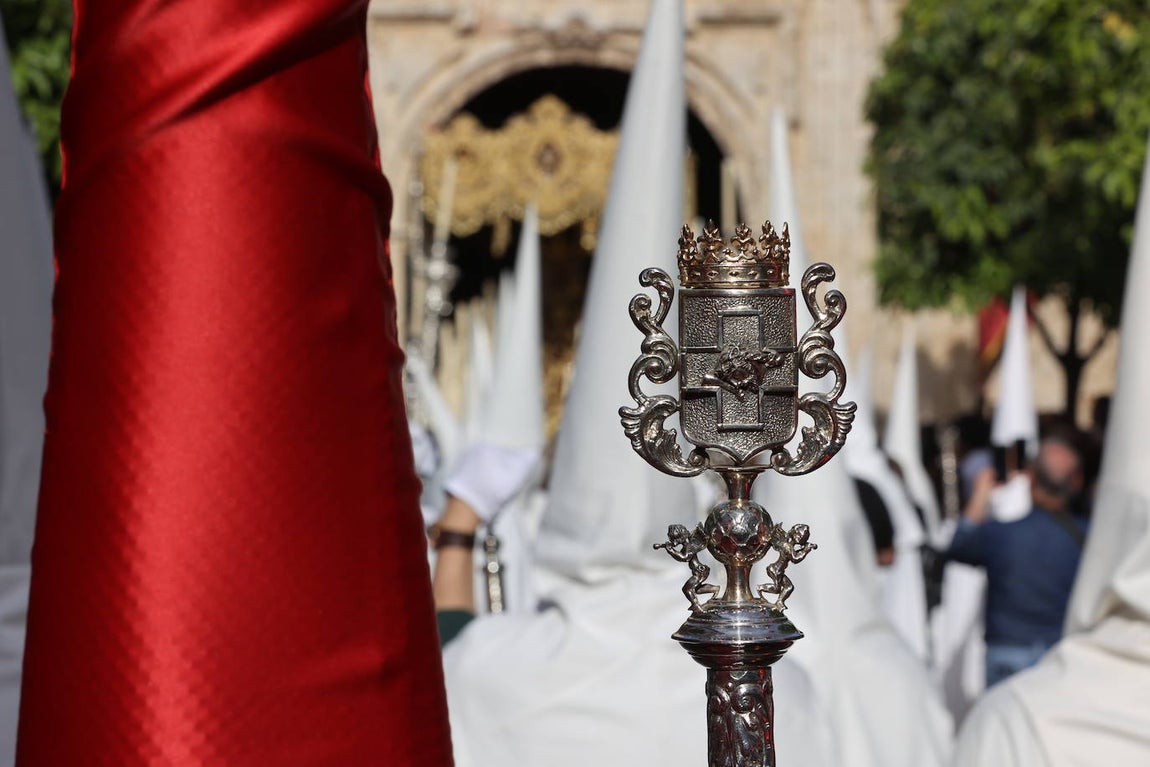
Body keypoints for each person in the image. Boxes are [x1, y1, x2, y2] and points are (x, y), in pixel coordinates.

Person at [946, 436, 1088, 686]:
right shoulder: (1088, 539)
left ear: (1030, 478)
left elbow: (959, 545)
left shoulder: (1001, 534)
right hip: (1061, 654)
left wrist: (980, 494)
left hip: (1008, 653)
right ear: (1076, 481)